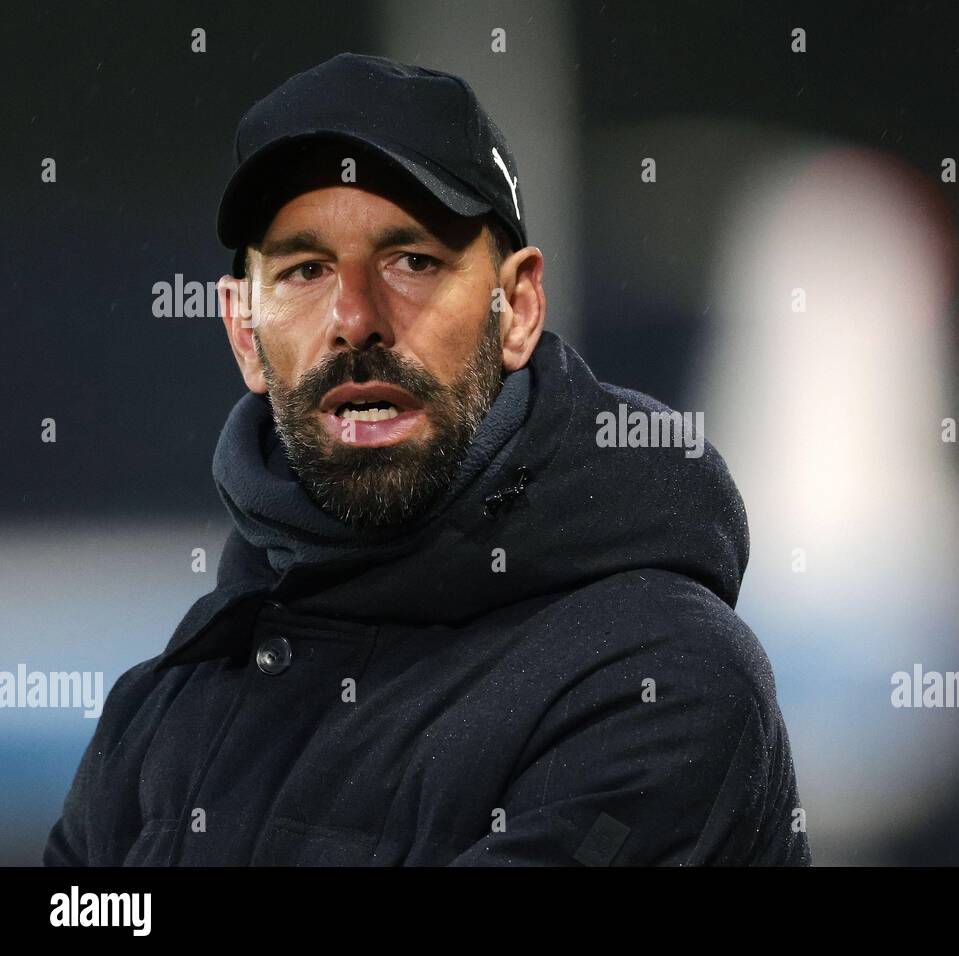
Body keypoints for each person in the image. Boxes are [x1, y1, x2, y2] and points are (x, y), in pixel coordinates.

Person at [43, 52, 811, 866]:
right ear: (243, 333)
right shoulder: (164, 709)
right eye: (305, 270)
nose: (355, 318)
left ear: (515, 309)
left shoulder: (660, 680)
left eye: (413, 261)